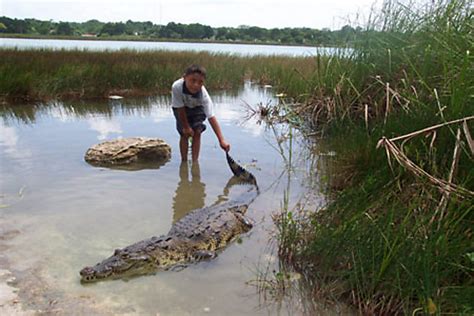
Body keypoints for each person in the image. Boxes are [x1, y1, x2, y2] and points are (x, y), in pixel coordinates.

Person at [171, 64, 230, 162]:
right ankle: (184, 161)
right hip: (181, 108)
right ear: (184, 77)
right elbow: (180, 109)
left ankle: (195, 161)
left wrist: (221, 140)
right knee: (184, 134)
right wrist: (186, 127)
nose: (196, 85)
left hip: (197, 108)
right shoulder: (177, 87)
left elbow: (211, 117)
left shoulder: (203, 95)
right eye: (193, 80)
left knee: (197, 132)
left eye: (200, 82)